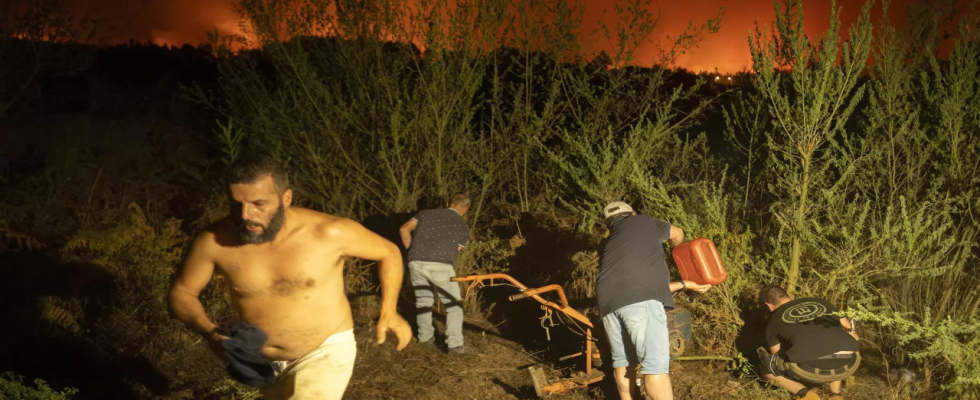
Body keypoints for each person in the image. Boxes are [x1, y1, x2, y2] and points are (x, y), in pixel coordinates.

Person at [169, 156, 411, 400]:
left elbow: (388, 252)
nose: (245, 214)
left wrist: (389, 311)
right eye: (236, 204)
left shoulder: (329, 232)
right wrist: (210, 333)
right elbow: (182, 293)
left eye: (258, 203)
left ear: (286, 198)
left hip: (325, 350)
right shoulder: (214, 241)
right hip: (264, 363)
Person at [597, 201, 711, 400]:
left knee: (623, 362)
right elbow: (677, 233)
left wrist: (686, 284)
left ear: (609, 223)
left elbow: (643, 289)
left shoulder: (612, 243)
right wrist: (678, 253)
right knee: (654, 366)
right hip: (640, 302)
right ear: (632, 213)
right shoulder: (644, 222)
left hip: (607, 303)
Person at [757, 285, 861, 400]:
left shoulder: (773, 321)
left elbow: (777, 354)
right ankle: (835, 395)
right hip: (850, 363)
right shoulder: (821, 302)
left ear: (768, 305)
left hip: (811, 367)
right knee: (834, 339)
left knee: (767, 366)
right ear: (788, 295)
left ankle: (805, 394)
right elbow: (851, 332)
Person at [399, 193, 471, 353]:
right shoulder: (464, 227)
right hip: (441, 265)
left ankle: (425, 339)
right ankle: (455, 345)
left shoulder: (425, 213)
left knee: (423, 300)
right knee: (453, 306)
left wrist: (411, 250)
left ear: (447, 203)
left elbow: (404, 229)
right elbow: (458, 249)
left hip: (415, 262)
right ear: (465, 209)